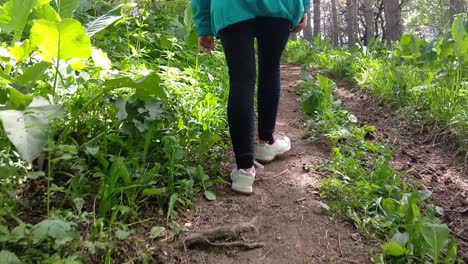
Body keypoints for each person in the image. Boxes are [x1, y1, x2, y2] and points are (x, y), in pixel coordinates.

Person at [191, 0, 309, 195]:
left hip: (230, 7)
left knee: (240, 79)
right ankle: (266, 142)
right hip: (279, 6)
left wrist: (204, 25)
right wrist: (303, 7)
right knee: (270, 69)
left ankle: (245, 170)